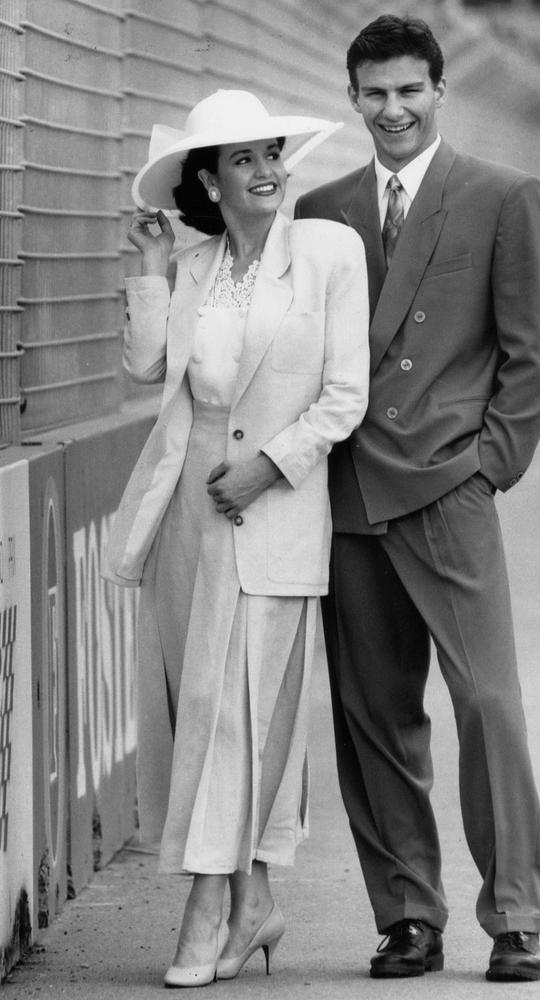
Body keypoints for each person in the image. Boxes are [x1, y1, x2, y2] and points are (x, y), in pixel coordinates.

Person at [294, 14, 540, 984]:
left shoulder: (501, 195)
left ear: (440, 91)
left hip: (450, 488)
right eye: (373, 91)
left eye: (409, 89)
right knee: (374, 716)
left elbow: (535, 356)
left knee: (488, 704)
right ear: (352, 96)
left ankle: (515, 916)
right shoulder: (319, 208)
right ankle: (406, 913)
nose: (391, 108)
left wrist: (489, 462)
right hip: (352, 491)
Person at [102, 89, 369, 987]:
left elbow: (345, 394)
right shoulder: (193, 268)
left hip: (277, 514)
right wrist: (148, 266)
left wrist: (272, 466)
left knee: (242, 720)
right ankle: (253, 903)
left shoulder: (329, 252)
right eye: (241, 160)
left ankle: (207, 909)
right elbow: (146, 369)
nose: (264, 171)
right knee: (208, 719)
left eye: (270, 154)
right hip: (190, 521)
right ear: (208, 183)